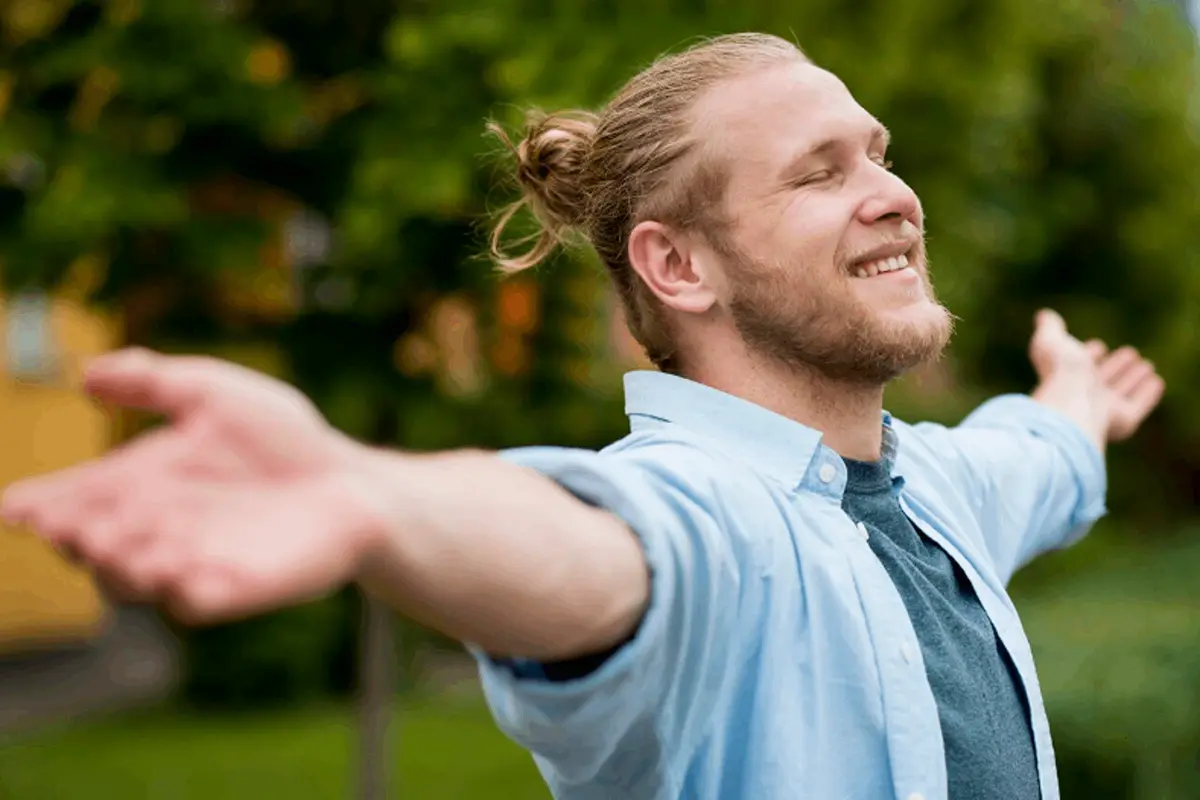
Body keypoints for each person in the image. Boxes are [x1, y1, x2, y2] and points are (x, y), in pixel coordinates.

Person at [0, 32, 1164, 800]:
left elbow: (1034, 458)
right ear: (678, 264)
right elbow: (604, 548)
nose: (894, 194)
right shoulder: (714, 517)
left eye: (878, 154)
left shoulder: (934, 491)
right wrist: (373, 495)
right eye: (820, 173)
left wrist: (1074, 402)